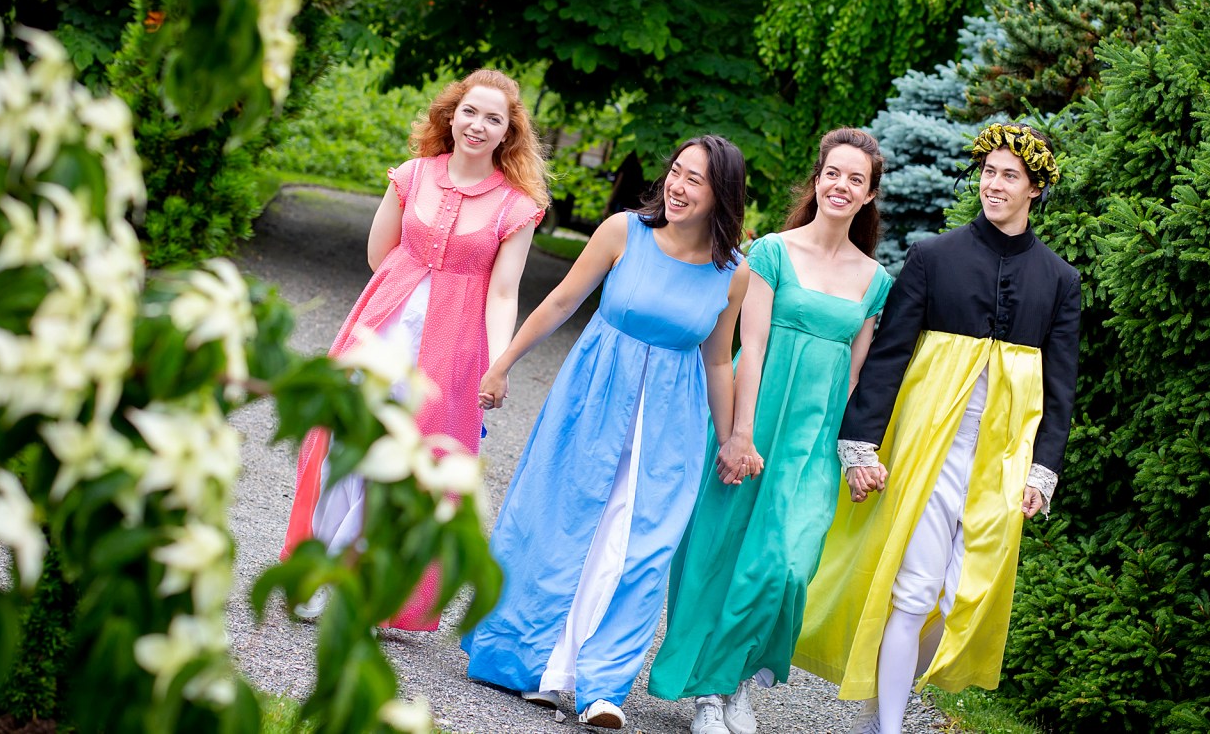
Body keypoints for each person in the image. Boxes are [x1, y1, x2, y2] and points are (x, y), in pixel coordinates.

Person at [794, 122, 1080, 734]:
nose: (993, 184)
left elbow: (1060, 388)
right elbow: (891, 355)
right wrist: (860, 443)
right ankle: (889, 724)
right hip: (931, 447)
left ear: (1035, 190)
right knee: (916, 591)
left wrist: (1043, 468)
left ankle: (887, 706)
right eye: (988, 172)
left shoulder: (1060, 281)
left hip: (1002, 458)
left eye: (1009, 175)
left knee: (958, 601)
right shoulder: (933, 257)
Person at [462, 135, 750, 731]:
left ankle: (602, 686)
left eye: (695, 179)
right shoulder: (625, 232)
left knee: (641, 548)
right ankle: (537, 666)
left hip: (671, 422)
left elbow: (719, 360)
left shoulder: (733, 273)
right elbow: (563, 300)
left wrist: (731, 438)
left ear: (722, 193)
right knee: (560, 520)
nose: (677, 186)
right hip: (594, 397)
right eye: (676, 172)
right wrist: (502, 363)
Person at [280, 69, 548, 631]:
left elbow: (503, 292)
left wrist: (499, 362)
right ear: (452, 115)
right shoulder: (411, 175)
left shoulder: (516, 208)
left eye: (493, 118)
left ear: (508, 133)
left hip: (453, 350)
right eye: (470, 112)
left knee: (412, 465)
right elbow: (382, 253)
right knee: (347, 445)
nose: (478, 125)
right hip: (382, 330)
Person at [648, 129, 894, 734]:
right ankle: (712, 692)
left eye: (855, 179)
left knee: (786, 567)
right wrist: (740, 434)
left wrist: (856, 455)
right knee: (719, 554)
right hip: (753, 425)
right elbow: (749, 348)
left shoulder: (876, 280)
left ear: (868, 196)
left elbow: (858, 379)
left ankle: (736, 676)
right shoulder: (774, 253)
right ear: (817, 179)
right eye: (833, 173)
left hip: (812, 447)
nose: (841, 186)